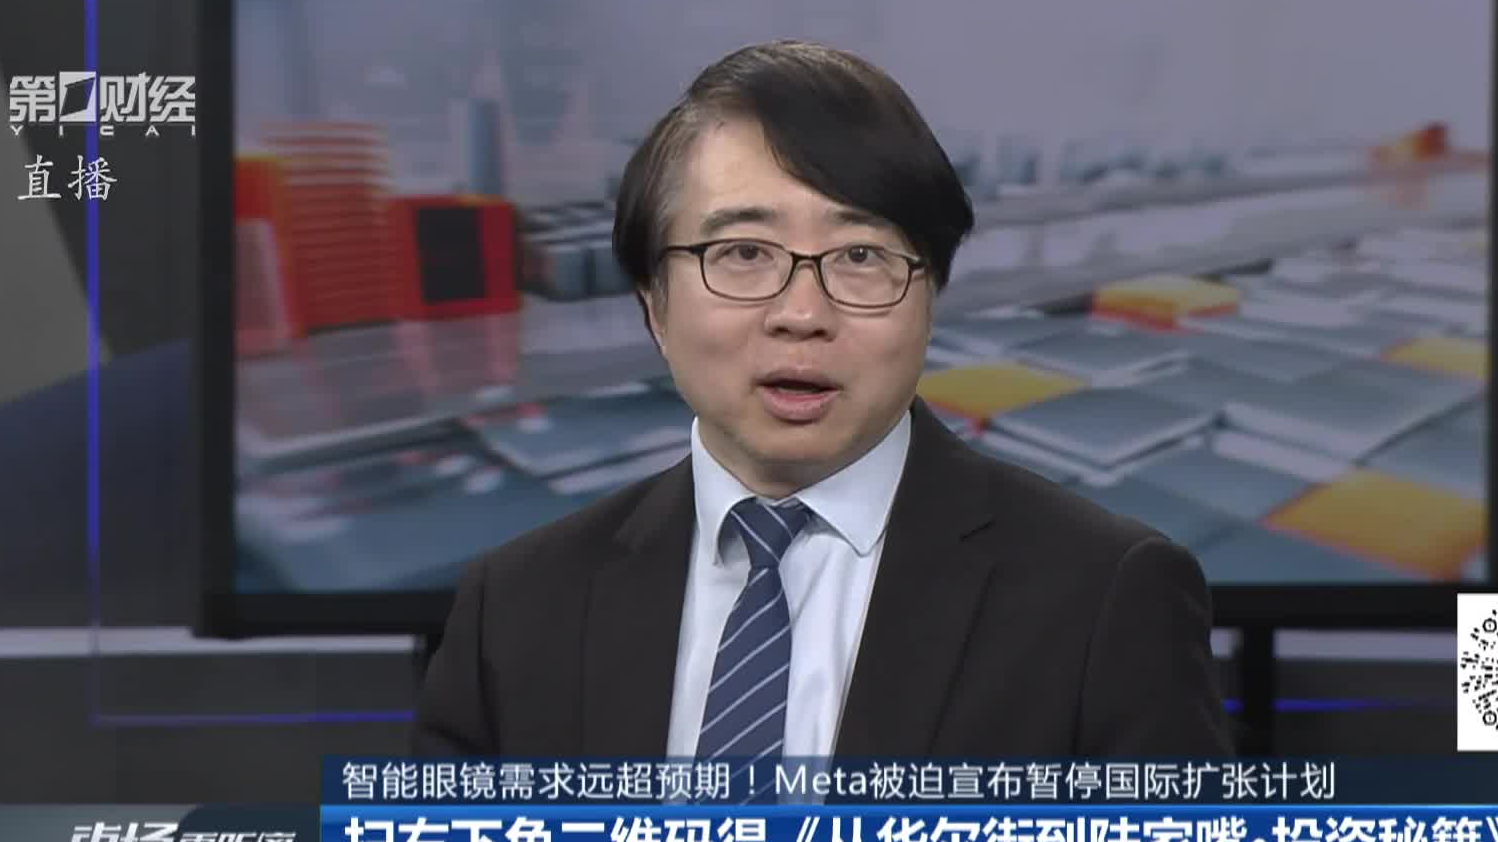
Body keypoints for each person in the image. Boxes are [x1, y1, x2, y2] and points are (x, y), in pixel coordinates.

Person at [412, 41, 1230, 766]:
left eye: (861, 256)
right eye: (743, 252)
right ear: (654, 304)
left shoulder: (1103, 597)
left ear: (931, 298)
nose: (802, 313)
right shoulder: (514, 608)